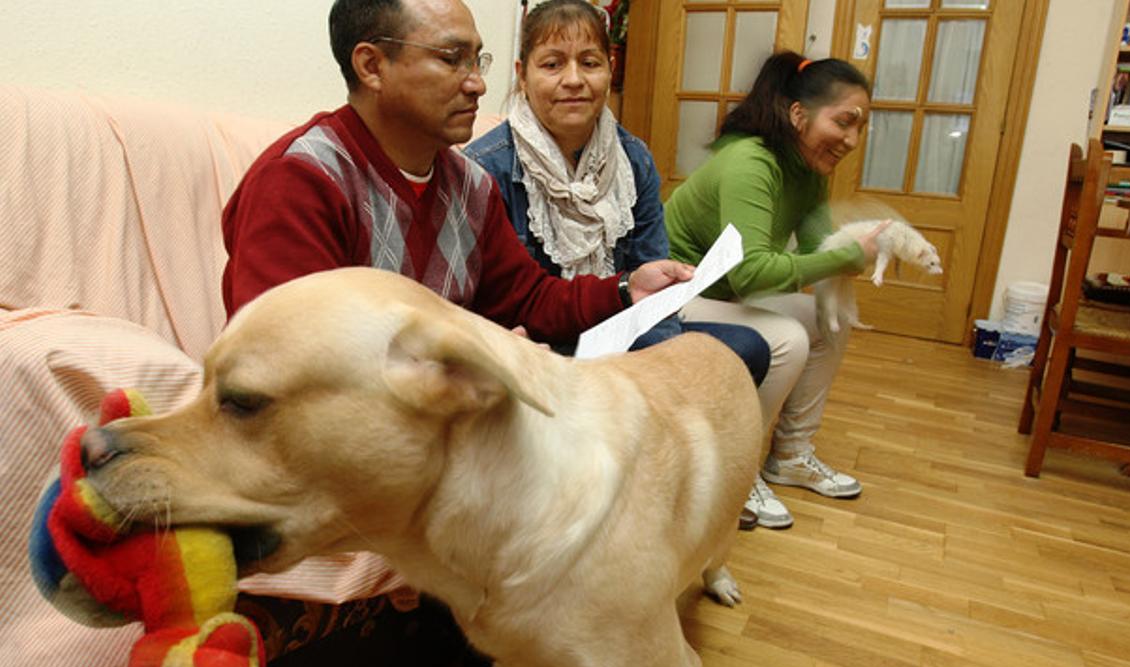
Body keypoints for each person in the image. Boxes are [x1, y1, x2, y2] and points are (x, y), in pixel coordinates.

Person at [221, 0, 693, 347]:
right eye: (452, 59)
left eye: (476, 59)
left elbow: (529, 300)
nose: (477, 83)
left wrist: (628, 288)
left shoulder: (468, 184)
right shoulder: (302, 180)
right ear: (371, 66)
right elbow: (280, 355)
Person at [464, 0, 769, 385]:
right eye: (552, 64)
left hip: (620, 332)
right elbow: (491, 305)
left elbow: (654, 294)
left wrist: (664, 364)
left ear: (609, 68)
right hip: (531, 346)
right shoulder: (485, 167)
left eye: (589, 63)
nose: (574, 79)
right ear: (522, 75)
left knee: (745, 350)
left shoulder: (633, 159)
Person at [665, 51, 887, 528]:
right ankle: (735, 473)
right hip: (674, 293)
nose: (851, 140)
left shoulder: (807, 172)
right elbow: (752, 274)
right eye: (844, 122)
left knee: (830, 316)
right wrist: (847, 256)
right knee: (788, 337)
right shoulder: (751, 161)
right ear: (799, 114)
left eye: (859, 129)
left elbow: (815, 252)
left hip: (723, 292)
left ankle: (789, 454)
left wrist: (865, 249)